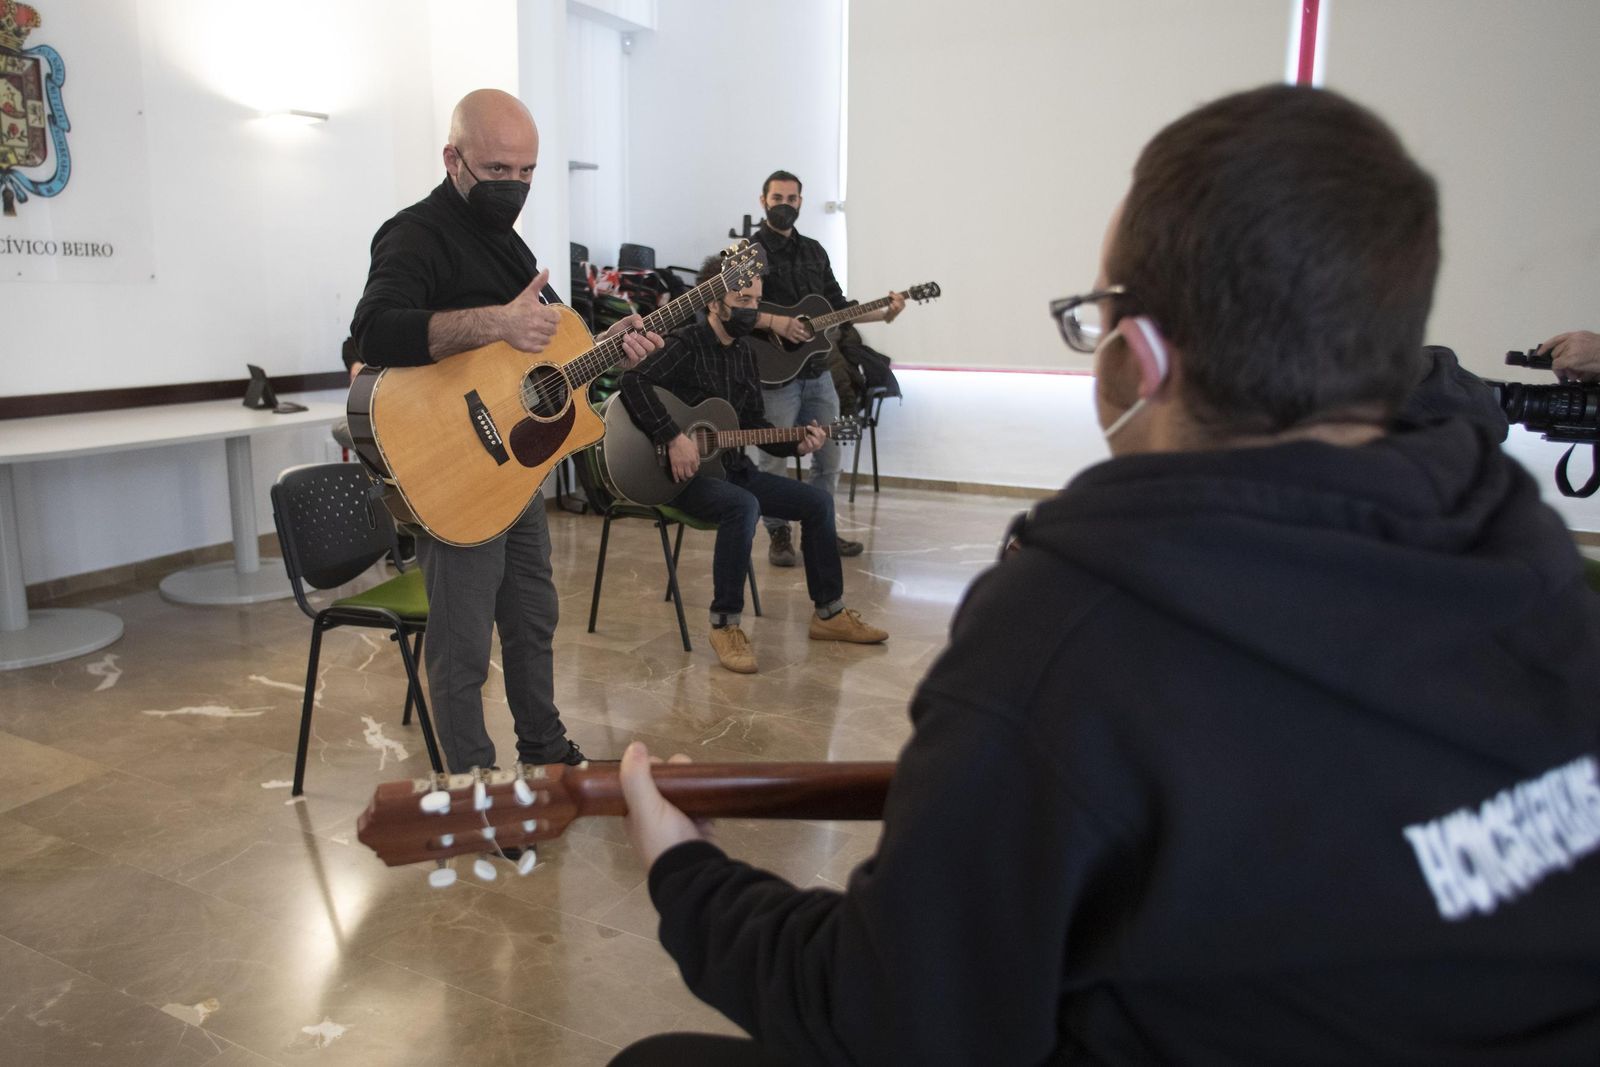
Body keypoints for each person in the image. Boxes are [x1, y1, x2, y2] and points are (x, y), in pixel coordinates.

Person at [608, 85, 1600, 1063]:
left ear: (1144, 352)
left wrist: (688, 872)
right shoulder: (1533, 556)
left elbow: (886, 1010)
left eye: (1100, 313)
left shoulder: (1072, 630)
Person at [349, 89, 661, 772]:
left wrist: (612, 343)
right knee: (462, 645)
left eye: (526, 173)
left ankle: (544, 751)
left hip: (514, 470)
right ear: (452, 158)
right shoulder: (414, 234)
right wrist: (495, 322)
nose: (513, 187)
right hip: (453, 471)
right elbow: (372, 331)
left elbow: (550, 357)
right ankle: (472, 787)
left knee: (531, 619)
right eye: (498, 172)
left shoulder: (509, 245)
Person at [617, 255, 888, 674]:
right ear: (712, 302)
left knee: (816, 502)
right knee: (742, 506)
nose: (750, 309)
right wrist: (672, 437)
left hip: (731, 470)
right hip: (680, 478)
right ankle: (725, 625)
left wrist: (797, 445)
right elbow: (632, 381)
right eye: (741, 298)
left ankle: (829, 614)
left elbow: (756, 427)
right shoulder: (684, 344)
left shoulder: (745, 354)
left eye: (756, 301)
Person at [748, 170, 905, 567]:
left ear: (801, 202)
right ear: (763, 200)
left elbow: (837, 308)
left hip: (818, 373)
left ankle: (822, 531)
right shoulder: (748, 253)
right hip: (774, 377)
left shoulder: (816, 251)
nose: (785, 204)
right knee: (772, 462)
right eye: (777, 197)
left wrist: (885, 314)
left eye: (792, 198)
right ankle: (778, 535)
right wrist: (776, 323)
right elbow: (736, 310)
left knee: (829, 457)